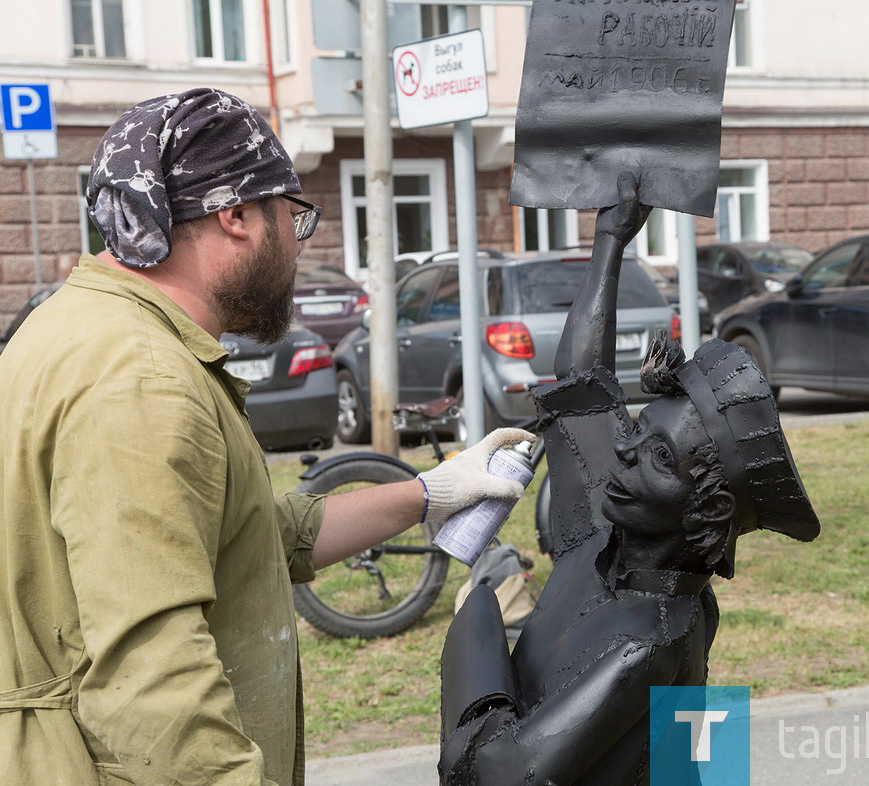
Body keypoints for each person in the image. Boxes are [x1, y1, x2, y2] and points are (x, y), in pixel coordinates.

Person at [0, 88, 531, 786]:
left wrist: (431, 492)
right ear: (239, 215)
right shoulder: (138, 381)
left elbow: (241, 540)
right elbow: (154, 684)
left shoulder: (78, 325)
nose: (296, 240)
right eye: (295, 215)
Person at [439, 174, 821, 784]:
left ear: (708, 512)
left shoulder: (646, 642)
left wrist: (474, 639)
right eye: (639, 431)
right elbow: (583, 387)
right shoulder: (603, 537)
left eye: (660, 459)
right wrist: (610, 241)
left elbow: (499, 776)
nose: (624, 453)